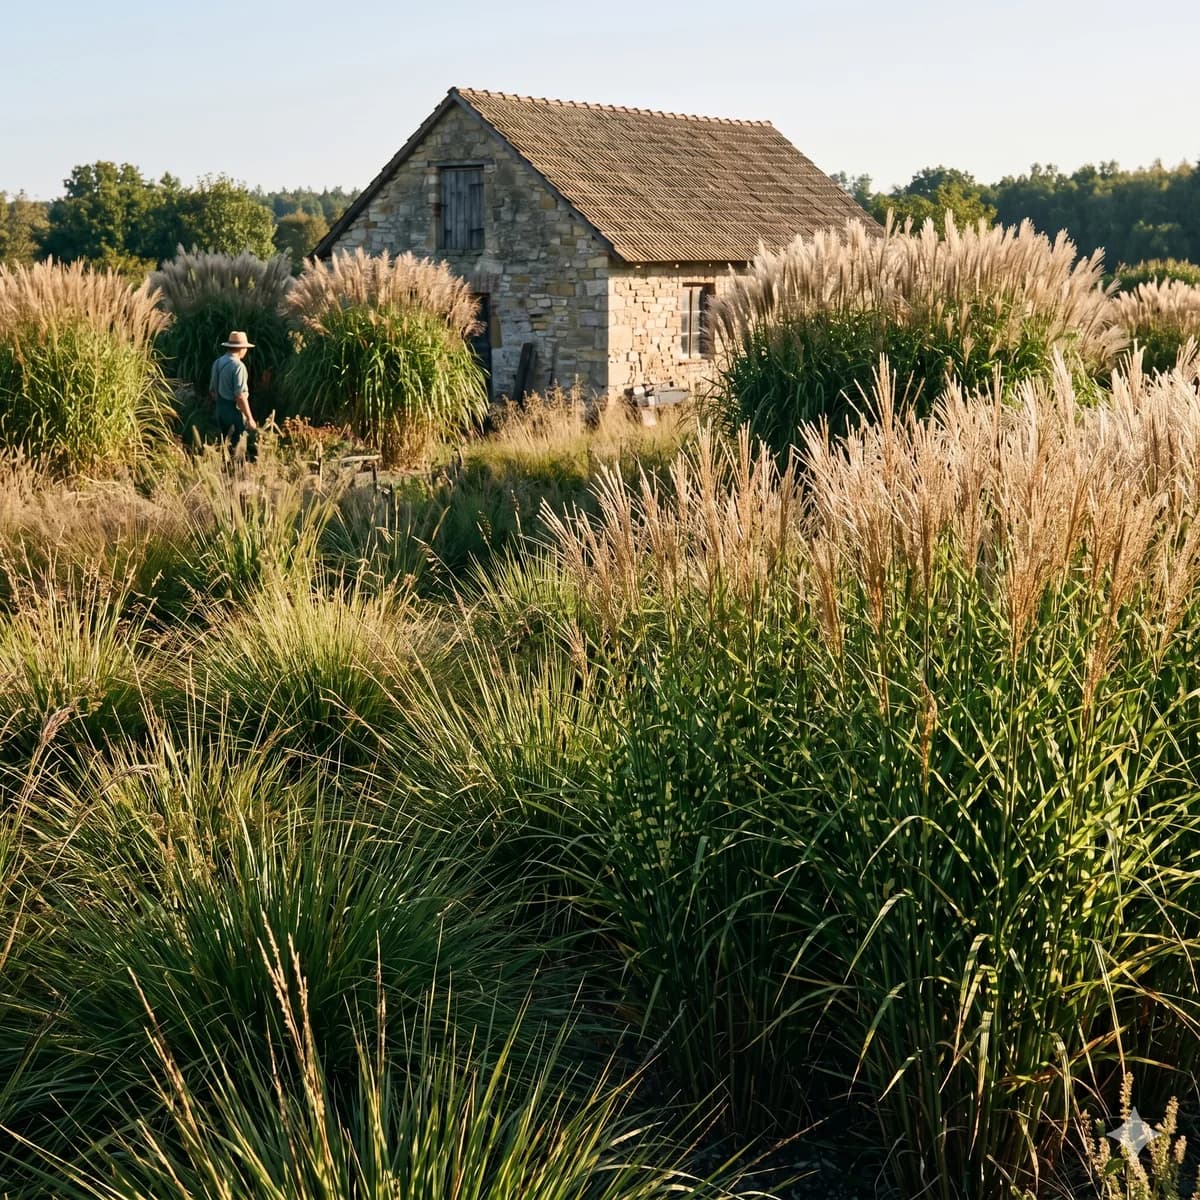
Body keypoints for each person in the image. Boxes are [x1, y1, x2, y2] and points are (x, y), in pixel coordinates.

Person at [208, 330, 258, 462]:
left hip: (220, 409)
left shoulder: (217, 362)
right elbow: (240, 396)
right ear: (241, 349)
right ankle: (237, 479)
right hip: (233, 412)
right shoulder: (238, 366)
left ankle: (224, 479)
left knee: (225, 450)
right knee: (238, 453)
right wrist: (250, 418)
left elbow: (212, 391)